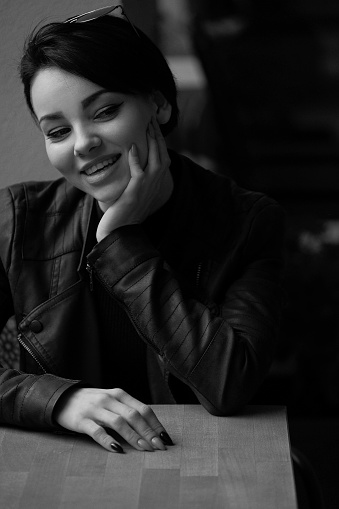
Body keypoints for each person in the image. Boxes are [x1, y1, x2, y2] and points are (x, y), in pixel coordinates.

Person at [0, 5, 284, 454]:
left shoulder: (247, 222)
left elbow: (230, 383)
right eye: (56, 131)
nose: (83, 142)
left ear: (159, 103)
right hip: (69, 466)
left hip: (204, 460)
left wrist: (121, 240)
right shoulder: (18, 220)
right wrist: (60, 401)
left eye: (105, 110)